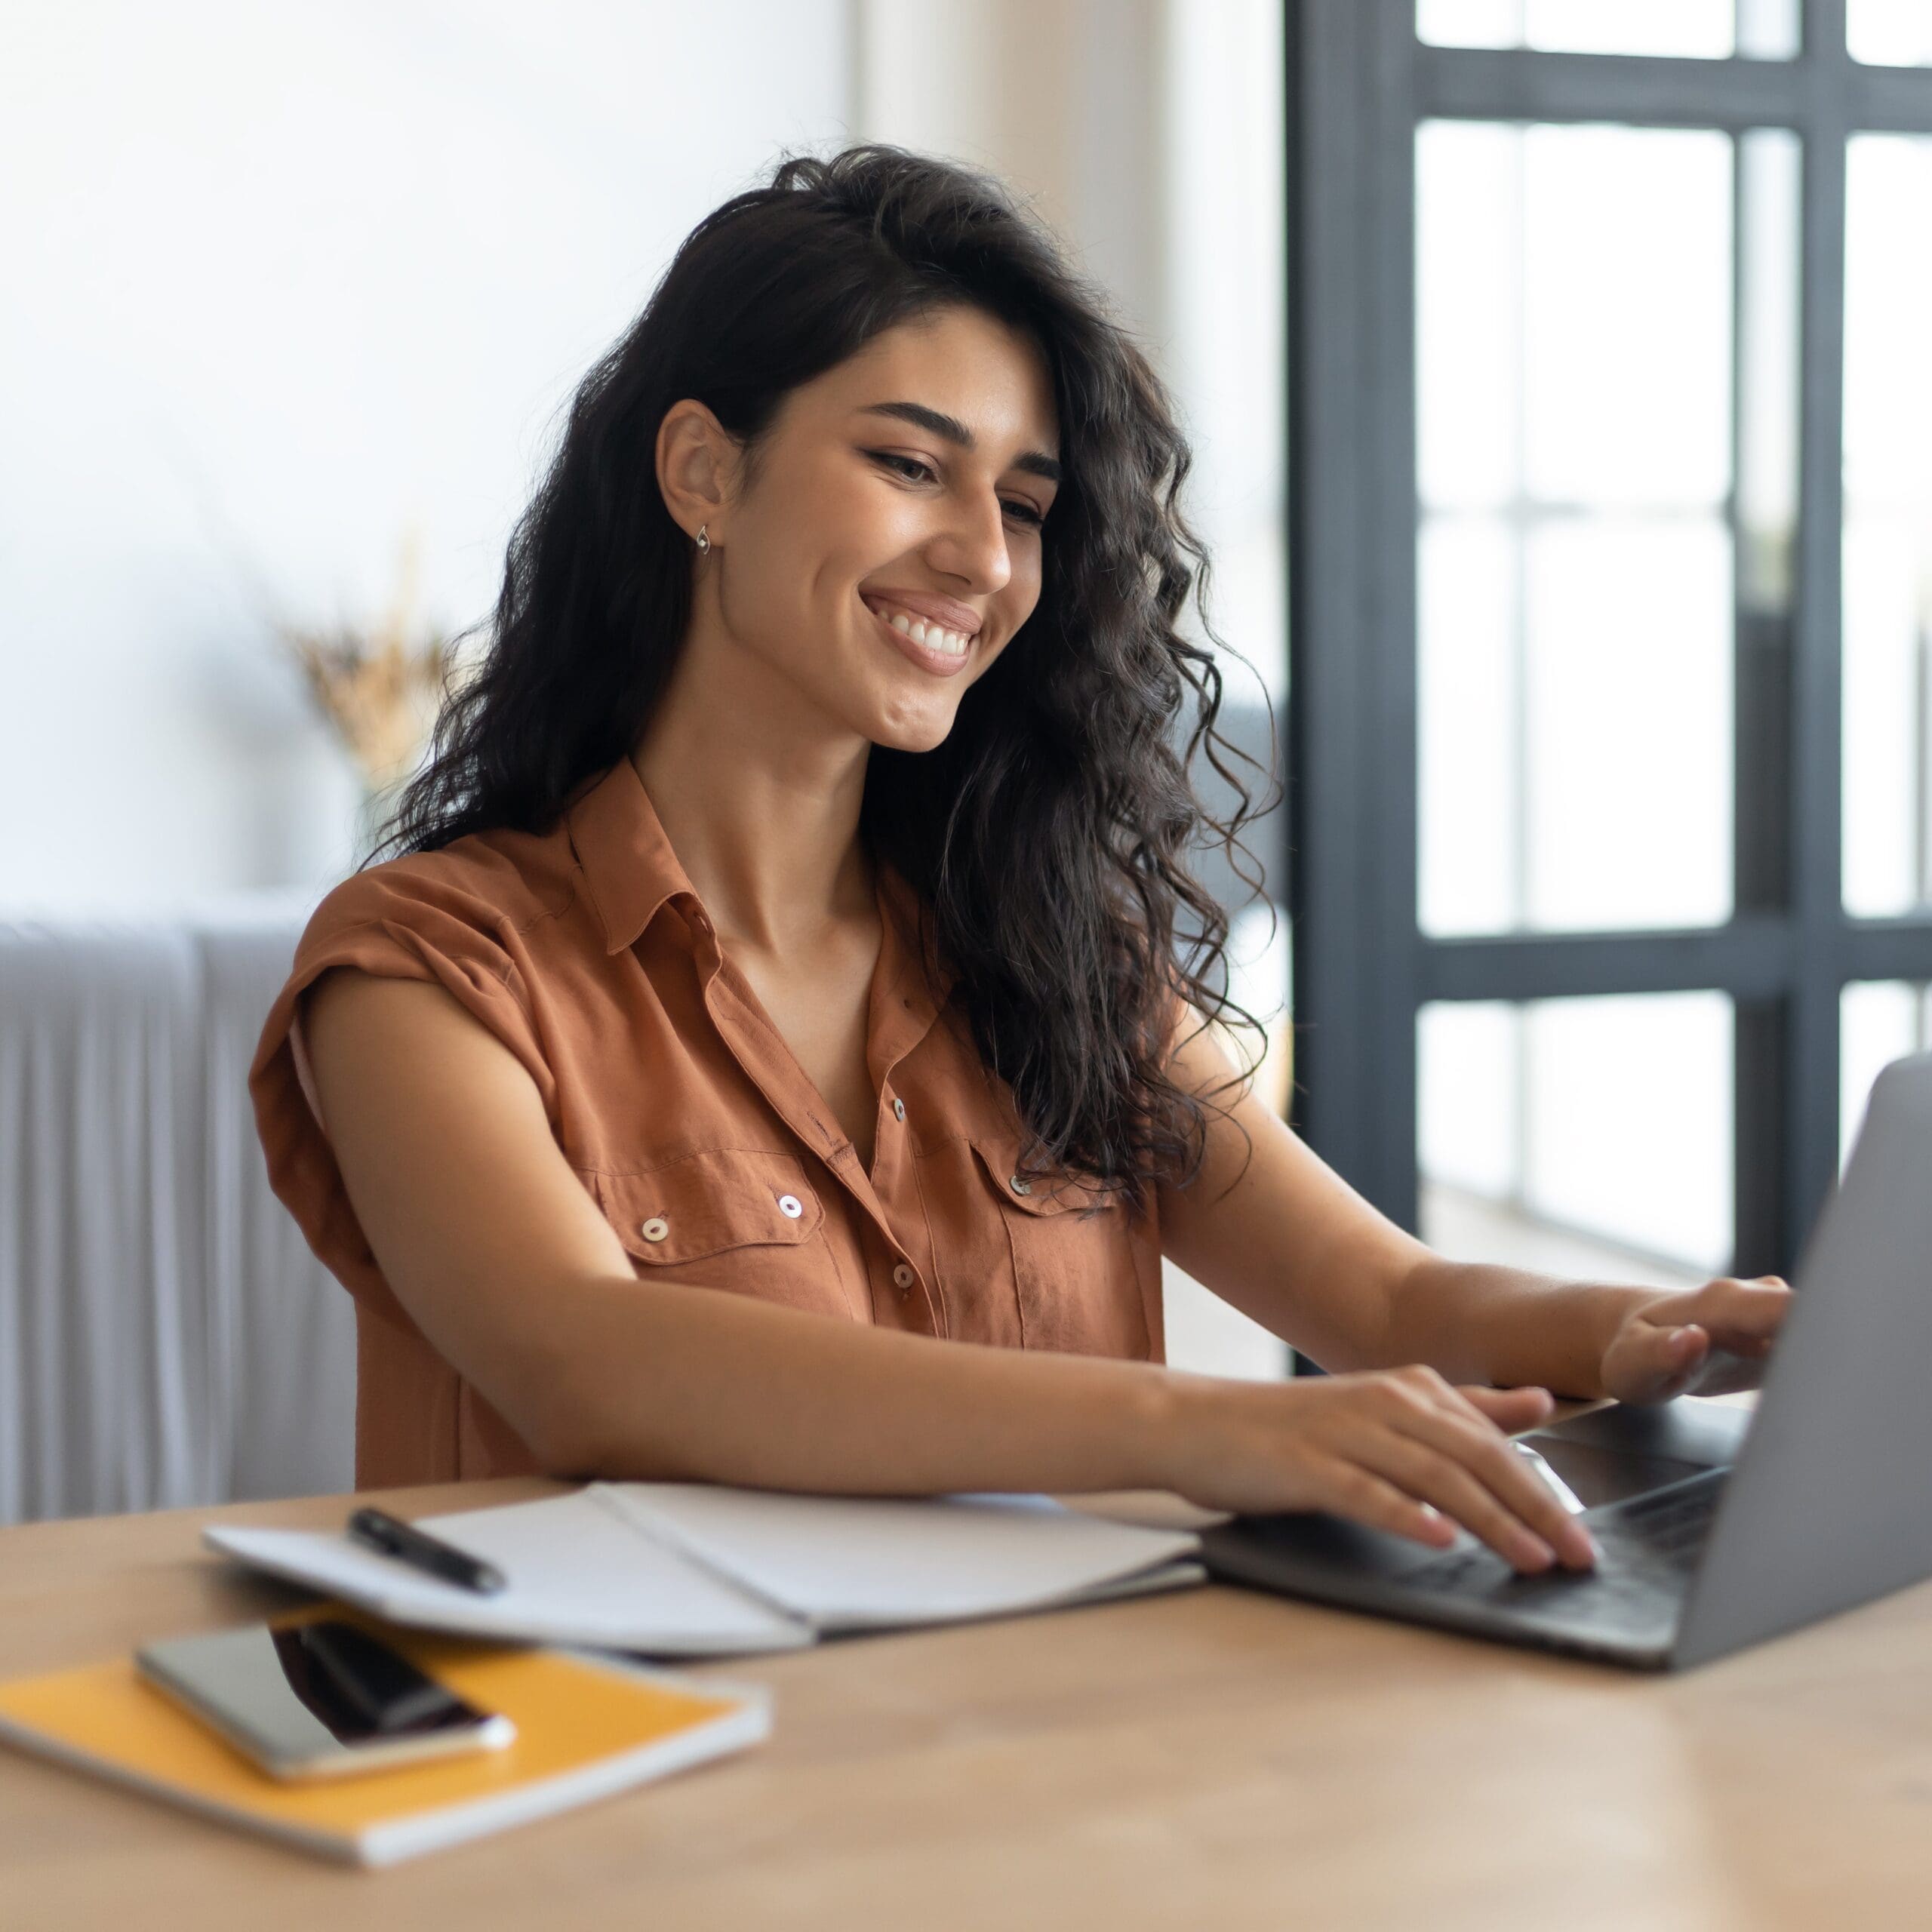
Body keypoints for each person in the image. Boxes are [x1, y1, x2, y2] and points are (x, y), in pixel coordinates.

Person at [250, 144, 1789, 1579]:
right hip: (618, 1811)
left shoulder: (1042, 951)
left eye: (1025, 504)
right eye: (912, 466)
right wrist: (1209, 1430)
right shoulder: (424, 970)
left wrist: (1655, 1331)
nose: (985, 557)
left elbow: (1385, 1298)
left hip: (1054, 1777)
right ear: (702, 475)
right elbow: (586, 1361)